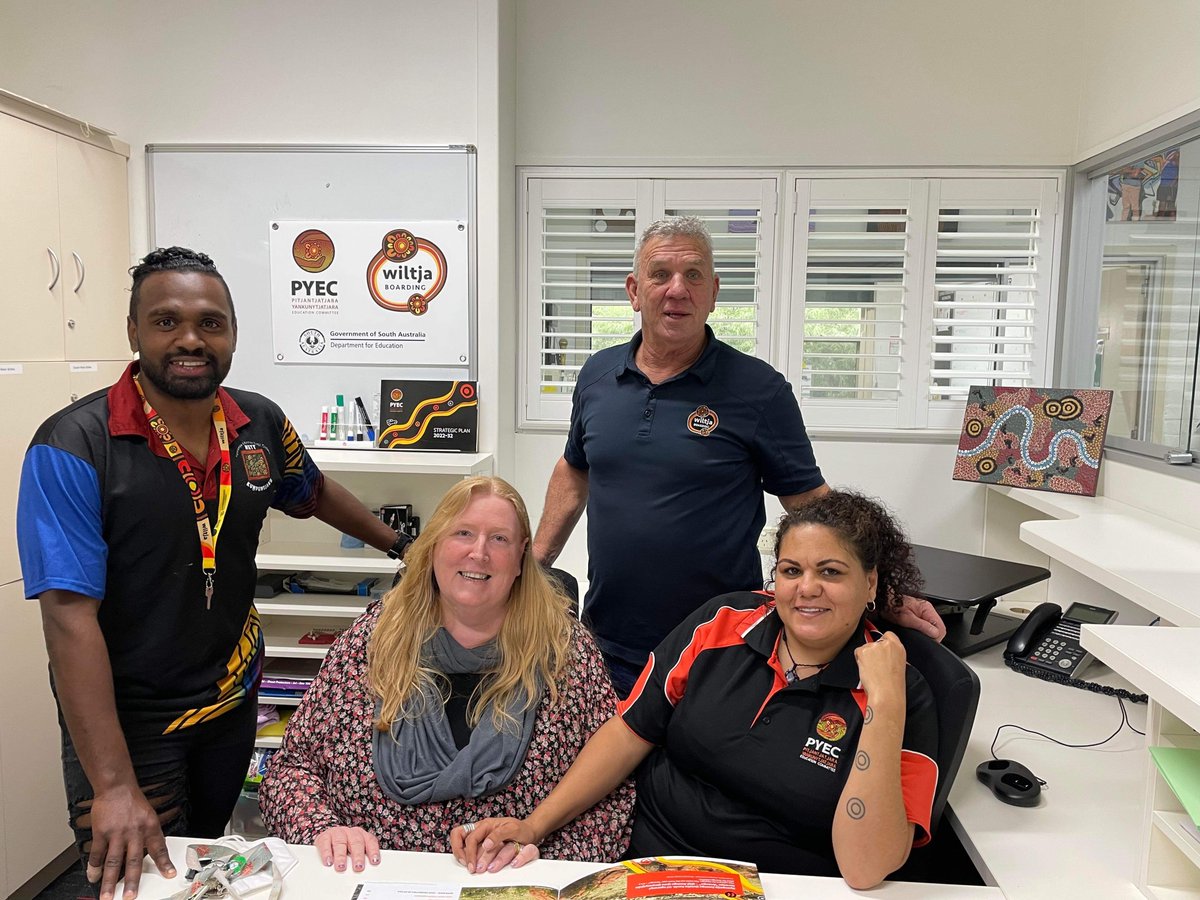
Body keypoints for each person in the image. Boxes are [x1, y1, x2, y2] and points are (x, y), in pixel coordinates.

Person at [16, 247, 406, 900]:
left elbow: (312, 492)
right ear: (133, 330)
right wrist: (112, 786)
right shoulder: (74, 446)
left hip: (230, 703)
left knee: (204, 868)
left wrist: (401, 545)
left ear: (231, 332)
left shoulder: (258, 425)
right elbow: (66, 617)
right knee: (134, 882)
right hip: (134, 725)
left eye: (210, 321)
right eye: (166, 321)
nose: (191, 338)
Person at [532, 216, 944, 695]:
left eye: (694, 275)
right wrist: (536, 566)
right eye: (660, 274)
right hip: (608, 641)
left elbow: (812, 503)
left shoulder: (758, 390)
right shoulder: (598, 376)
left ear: (714, 291)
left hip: (720, 647)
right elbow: (574, 468)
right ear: (634, 289)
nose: (677, 289)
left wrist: (879, 590)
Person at [458, 490, 938, 889]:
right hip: (645, 867)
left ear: (871, 582)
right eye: (791, 570)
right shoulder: (723, 622)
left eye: (830, 572)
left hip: (781, 884)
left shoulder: (902, 693)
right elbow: (630, 732)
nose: (806, 588)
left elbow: (865, 868)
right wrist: (534, 825)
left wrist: (884, 704)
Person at [259, 476, 634, 872]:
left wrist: (541, 861)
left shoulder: (564, 653)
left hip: (507, 888)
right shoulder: (372, 641)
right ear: (433, 546)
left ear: (523, 557)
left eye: (500, 539)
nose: (479, 553)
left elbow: (613, 795)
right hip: (374, 878)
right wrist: (324, 830)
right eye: (463, 533)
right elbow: (289, 770)